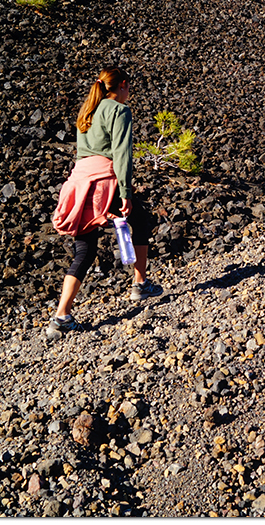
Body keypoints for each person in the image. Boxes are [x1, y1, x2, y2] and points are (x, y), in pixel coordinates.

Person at [48, 65, 160, 339]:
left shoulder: (87, 111)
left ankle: (62, 315)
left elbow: (81, 155)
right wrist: (125, 193)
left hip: (80, 182)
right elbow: (122, 154)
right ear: (122, 84)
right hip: (104, 183)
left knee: (84, 250)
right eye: (129, 87)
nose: (129, 92)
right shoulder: (118, 110)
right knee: (142, 221)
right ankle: (140, 284)